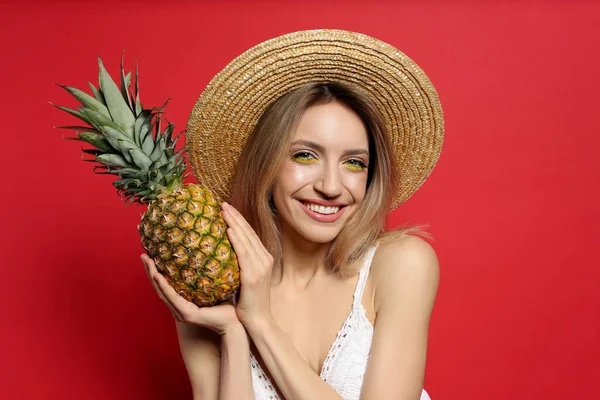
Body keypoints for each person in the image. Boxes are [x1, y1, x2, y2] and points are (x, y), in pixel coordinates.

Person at [140, 30, 444, 400]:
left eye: (353, 163)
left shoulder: (401, 264)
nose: (332, 186)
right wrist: (233, 334)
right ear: (266, 165)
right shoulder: (210, 285)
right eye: (305, 155)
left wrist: (259, 322)